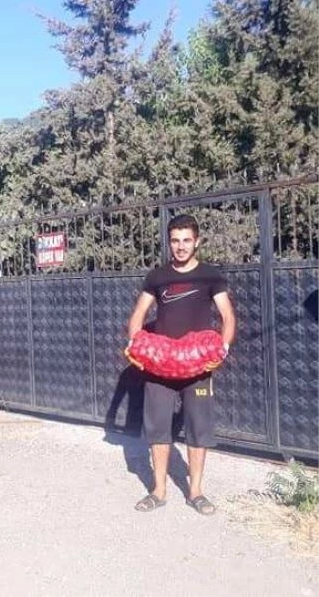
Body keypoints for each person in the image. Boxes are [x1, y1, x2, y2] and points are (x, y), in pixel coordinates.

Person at [125, 214, 236, 516]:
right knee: (158, 427)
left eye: (187, 240)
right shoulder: (157, 277)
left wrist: (222, 349)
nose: (181, 246)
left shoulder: (211, 276)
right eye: (175, 240)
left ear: (197, 241)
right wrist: (135, 345)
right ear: (169, 242)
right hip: (160, 366)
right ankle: (159, 491)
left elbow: (227, 316)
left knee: (199, 428)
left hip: (198, 366)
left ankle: (196, 492)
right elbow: (138, 315)